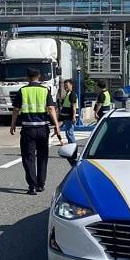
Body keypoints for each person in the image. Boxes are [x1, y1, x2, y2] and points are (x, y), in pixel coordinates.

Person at [9, 67, 60, 195]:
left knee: (28, 157)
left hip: (28, 129)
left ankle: (32, 186)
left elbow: (16, 110)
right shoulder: (45, 90)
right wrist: (57, 127)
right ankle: (41, 184)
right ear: (39, 77)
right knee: (43, 157)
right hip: (43, 128)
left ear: (27, 77)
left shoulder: (23, 91)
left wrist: (13, 125)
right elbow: (51, 108)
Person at [58, 79, 78, 144]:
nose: (65, 87)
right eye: (64, 86)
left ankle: (73, 147)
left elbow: (74, 106)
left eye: (67, 85)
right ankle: (71, 147)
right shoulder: (68, 94)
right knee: (68, 133)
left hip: (70, 117)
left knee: (69, 133)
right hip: (67, 117)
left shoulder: (72, 94)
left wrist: (74, 116)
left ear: (71, 85)